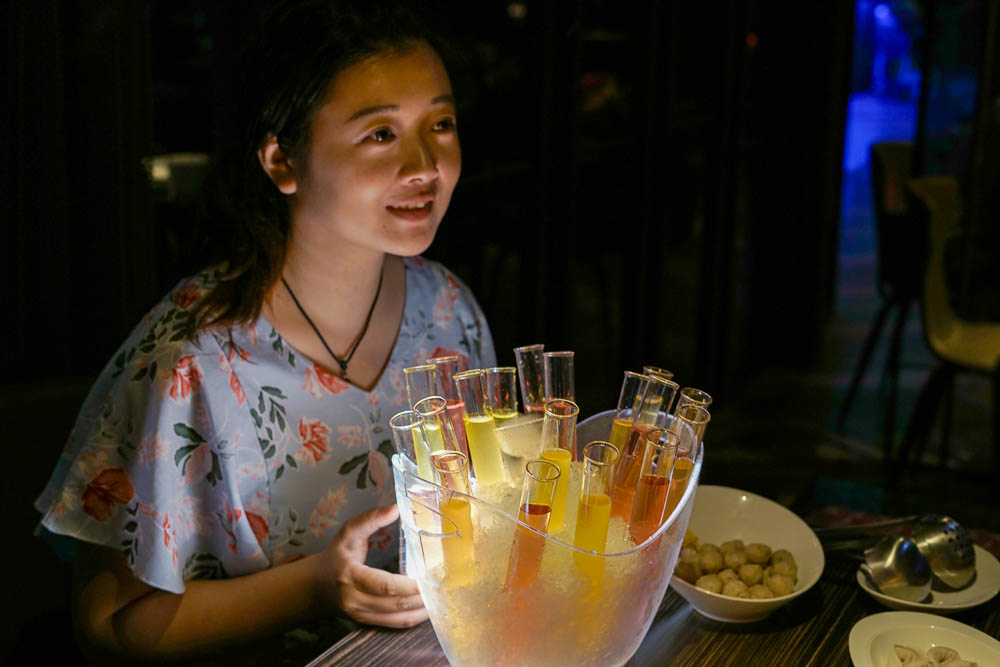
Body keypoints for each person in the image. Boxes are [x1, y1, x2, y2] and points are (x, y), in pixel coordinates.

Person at [33, 0, 496, 662]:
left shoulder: (450, 309)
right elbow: (110, 623)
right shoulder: (192, 361)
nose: (425, 163)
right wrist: (314, 586)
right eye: (380, 134)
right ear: (282, 160)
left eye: (441, 124)